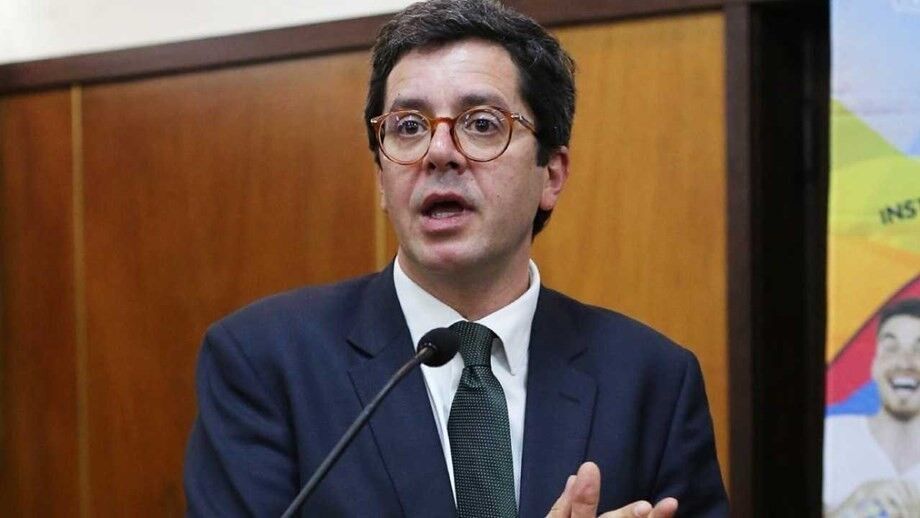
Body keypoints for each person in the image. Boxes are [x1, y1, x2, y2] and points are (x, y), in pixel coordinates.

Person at [183, 1, 727, 516]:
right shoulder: (265, 362)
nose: (439, 152)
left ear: (552, 174)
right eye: (409, 126)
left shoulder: (651, 380)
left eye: (482, 123)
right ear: (381, 179)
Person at [825, 298, 920, 517]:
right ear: (874, 365)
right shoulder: (831, 435)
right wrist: (844, 510)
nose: (904, 363)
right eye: (891, 348)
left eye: (919, 349)